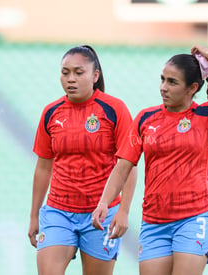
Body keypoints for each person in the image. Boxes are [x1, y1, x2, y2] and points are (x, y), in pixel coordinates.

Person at [92, 45, 208, 275]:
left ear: (192, 88)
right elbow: (123, 166)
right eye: (162, 79)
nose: (163, 87)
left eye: (172, 82)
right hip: (154, 224)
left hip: (194, 218)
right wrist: (104, 202)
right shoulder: (145, 118)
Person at [28, 45, 137, 275]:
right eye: (65, 72)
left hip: (100, 215)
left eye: (79, 72)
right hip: (58, 211)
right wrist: (34, 215)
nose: (71, 79)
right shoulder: (51, 112)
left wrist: (123, 211)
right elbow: (43, 167)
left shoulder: (114, 109)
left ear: (95, 76)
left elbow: (128, 165)